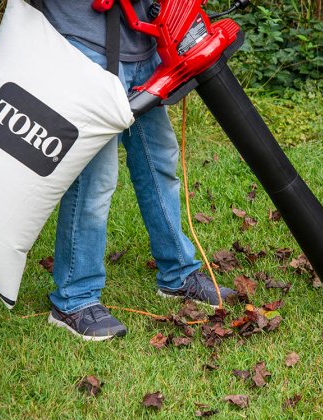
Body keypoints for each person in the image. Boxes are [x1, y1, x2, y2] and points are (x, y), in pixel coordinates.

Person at [40, 0, 237, 341]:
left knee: (158, 162)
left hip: (143, 44)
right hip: (85, 47)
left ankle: (178, 274)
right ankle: (74, 298)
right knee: (94, 180)